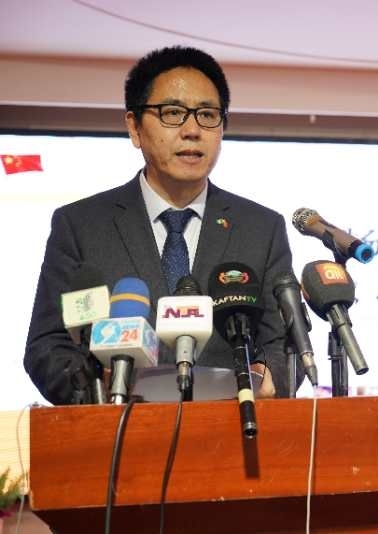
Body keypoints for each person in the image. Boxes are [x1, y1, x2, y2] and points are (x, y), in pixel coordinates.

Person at [24, 45, 301, 405]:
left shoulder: (261, 229)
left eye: (207, 115)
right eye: (172, 113)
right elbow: (48, 346)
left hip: (230, 428)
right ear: (134, 127)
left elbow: (283, 347)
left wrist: (267, 380)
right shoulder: (80, 225)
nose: (192, 130)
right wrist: (99, 389)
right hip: (118, 428)